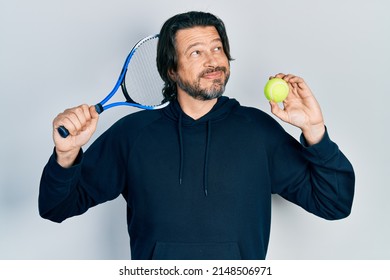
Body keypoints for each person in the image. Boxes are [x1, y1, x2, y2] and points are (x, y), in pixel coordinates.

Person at [39, 11, 355, 260]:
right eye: (196, 52)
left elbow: (334, 203)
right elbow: (56, 207)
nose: (213, 60)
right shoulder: (132, 135)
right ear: (171, 70)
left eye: (217, 48)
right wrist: (66, 156)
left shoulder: (259, 132)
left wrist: (314, 130)